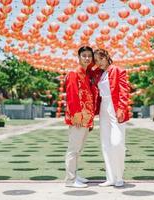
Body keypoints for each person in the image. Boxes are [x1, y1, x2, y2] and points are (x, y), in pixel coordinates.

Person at [93, 49, 130, 187]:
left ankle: (119, 176)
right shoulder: (100, 74)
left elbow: (124, 91)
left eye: (100, 59)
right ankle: (110, 178)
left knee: (117, 143)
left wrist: (121, 108)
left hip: (115, 108)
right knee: (106, 144)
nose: (98, 63)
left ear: (107, 57)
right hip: (104, 108)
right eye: (96, 61)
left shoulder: (118, 70)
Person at [64, 46, 95, 188]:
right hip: (78, 118)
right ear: (79, 57)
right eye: (84, 55)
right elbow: (72, 94)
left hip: (86, 118)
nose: (87, 58)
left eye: (89, 56)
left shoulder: (87, 74)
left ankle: (75, 175)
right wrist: (76, 115)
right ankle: (70, 180)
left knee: (79, 149)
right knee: (73, 149)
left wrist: (90, 119)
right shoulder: (73, 73)